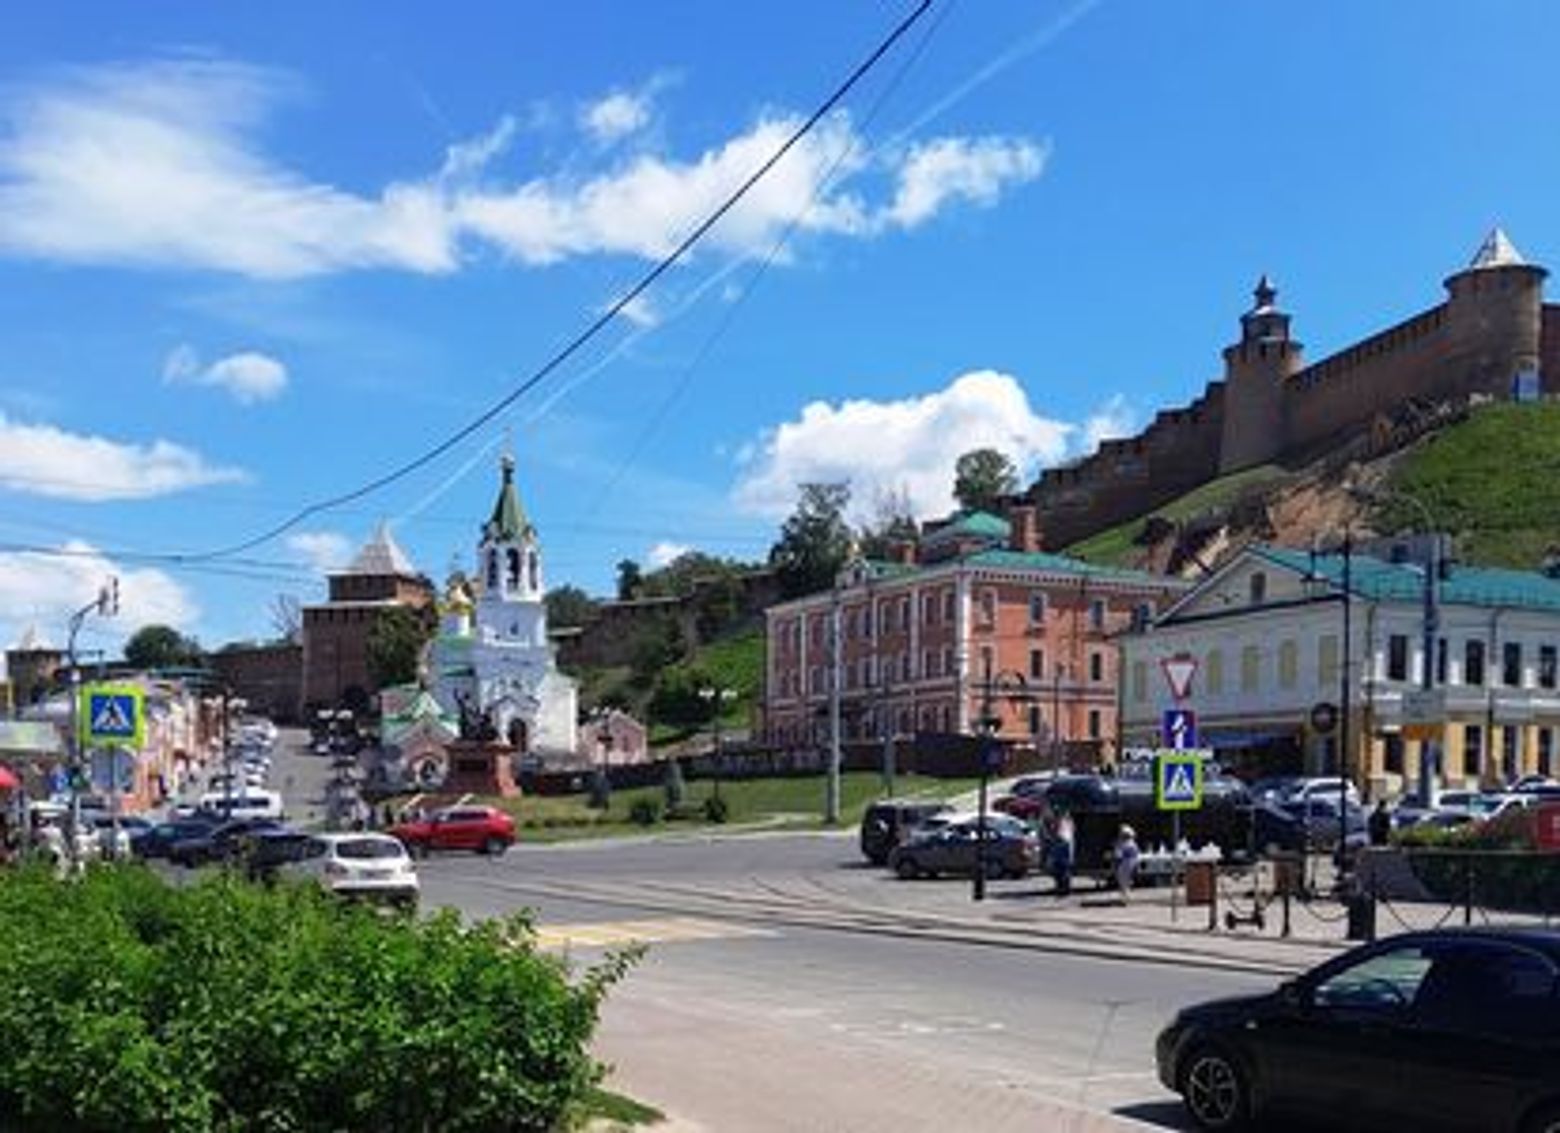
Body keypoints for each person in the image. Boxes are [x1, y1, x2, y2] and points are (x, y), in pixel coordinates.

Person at [1050, 807, 1076, 897]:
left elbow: (1056, 833)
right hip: (1062, 845)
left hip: (1063, 845)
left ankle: (1064, 888)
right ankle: (1062, 888)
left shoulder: (1064, 821)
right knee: (1061, 869)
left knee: (1063, 869)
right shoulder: (1065, 821)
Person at [1113, 824, 1140, 904]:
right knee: (1126, 882)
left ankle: (1125, 899)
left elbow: (1118, 856)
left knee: (1123, 882)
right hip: (1130, 862)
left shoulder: (1123, 844)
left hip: (1125, 863)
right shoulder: (1132, 843)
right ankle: (1126, 897)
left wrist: (1116, 864)